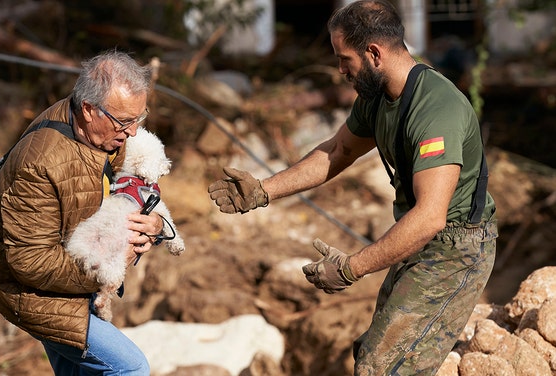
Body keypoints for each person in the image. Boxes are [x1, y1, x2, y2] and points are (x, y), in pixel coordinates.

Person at [208, 0, 497, 374]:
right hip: (422, 237)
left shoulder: (435, 109)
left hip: (457, 250)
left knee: (385, 367)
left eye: (345, 59)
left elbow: (430, 218)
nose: (340, 69)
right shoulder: (377, 97)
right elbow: (338, 150)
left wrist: (351, 269)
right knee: (371, 354)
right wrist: (262, 191)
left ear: (374, 53)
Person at [0, 50, 163, 375]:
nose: (133, 132)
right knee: (131, 368)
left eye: (139, 118)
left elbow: (130, 187)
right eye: (125, 122)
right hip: (33, 294)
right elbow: (28, 262)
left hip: (71, 277)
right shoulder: (38, 165)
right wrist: (108, 267)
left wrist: (154, 225)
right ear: (90, 109)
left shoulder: (102, 133)